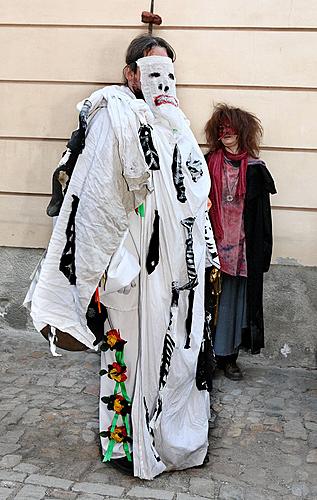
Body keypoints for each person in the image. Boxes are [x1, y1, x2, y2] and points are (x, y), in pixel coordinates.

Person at [25, 34, 219, 480]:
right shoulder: (113, 116)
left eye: (170, 73)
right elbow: (90, 204)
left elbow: (196, 193)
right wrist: (89, 276)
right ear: (130, 74)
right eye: (151, 72)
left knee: (181, 361)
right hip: (134, 271)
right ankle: (133, 447)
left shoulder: (178, 125)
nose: (162, 83)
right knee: (132, 361)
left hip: (180, 272)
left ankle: (177, 442)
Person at [205, 104, 276, 380]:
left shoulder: (256, 169)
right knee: (209, 303)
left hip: (243, 251)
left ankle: (229, 358)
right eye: (221, 129)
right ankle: (207, 357)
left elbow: (263, 218)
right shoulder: (207, 162)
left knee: (236, 305)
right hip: (214, 246)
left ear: (242, 131)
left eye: (231, 129)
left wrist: (264, 253)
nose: (226, 133)